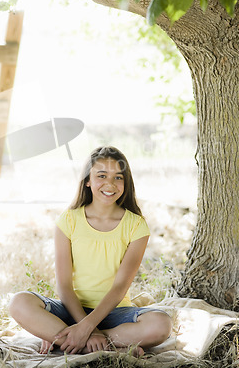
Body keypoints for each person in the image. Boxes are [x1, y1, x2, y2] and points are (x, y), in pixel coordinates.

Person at [9, 146, 172, 356]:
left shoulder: (136, 226)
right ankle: (102, 345)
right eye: (101, 176)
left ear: (126, 183)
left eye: (118, 178)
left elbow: (120, 286)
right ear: (87, 180)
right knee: (19, 302)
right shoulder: (68, 220)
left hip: (115, 312)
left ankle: (68, 340)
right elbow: (64, 286)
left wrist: (90, 329)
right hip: (72, 309)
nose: (110, 184)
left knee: (161, 324)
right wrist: (87, 327)